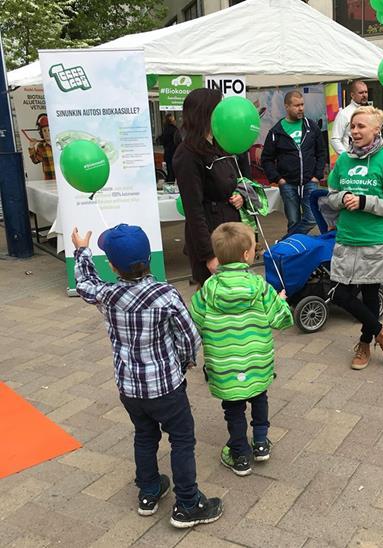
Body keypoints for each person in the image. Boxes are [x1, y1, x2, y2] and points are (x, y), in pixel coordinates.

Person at [71, 223, 223, 529]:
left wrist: (82, 250)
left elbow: (85, 284)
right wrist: (185, 361)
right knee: (181, 440)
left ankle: (149, 491)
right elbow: (190, 335)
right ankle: (188, 504)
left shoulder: (109, 295)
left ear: (112, 265)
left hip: (129, 389)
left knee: (144, 435)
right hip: (167, 387)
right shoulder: (165, 295)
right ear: (149, 259)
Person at [190, 222, 293, 476]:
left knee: (233, 407)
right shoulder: (260, 287)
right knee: (259, 398)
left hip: (225, 365)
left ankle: (240, 454)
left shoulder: (207, 292)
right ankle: (260, 443)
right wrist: (281, 303)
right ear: (247, 255)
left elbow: (193, 322)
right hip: (257, 362)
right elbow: (281, 319)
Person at [326, 106, 383, 370]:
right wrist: (342, 199)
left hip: (375, 240)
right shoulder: (344, 160)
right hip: (347, 238)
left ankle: (364, 343)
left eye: (362, 127)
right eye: (353, 126)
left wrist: (364, 202)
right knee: (337, 293)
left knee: (370, 294)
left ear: (376, 130)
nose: (355, 131)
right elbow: (331, 195)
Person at [173, 88, 244, 286]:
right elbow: (193, 209)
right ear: (204, 113)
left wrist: (239, 196)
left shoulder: (218, 145)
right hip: (212, 239)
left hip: (230, 233)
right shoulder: (187, 154)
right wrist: (209, 255)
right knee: (215, 305)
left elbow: (231, 182)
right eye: (218, 108)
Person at [261, 90, 325, 237]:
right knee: (294, 220)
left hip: (310, 181)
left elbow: (321, 152)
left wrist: (317, 175)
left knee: (312, 217)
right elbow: (266, 159)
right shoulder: (276, 131)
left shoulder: (311, 127)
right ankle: (294, 253)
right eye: (296, 105)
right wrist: (278, 179)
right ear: (287, 107)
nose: (301, 108)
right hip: (288, 183)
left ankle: (285, 242)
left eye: (302, 104)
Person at [330, 80, 369, 156]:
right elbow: (335, 139)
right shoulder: (344, 114)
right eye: (361, 93)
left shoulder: (370, 112)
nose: (364, 95)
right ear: (352, 95)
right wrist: (347, 156)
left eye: (366, 92)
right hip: (352, 159)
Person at [28, 113, 55, 180]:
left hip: (63, 179)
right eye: (44, 130)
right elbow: (35, 160)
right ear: (41, 132)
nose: (47, 133)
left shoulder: (60, 143)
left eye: (49, 130)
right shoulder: (41, 146)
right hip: (49, 180)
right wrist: (31, 147)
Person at [160, 113, 178, 182]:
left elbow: (163, 141)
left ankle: (170, 183)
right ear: (171, 120)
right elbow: (177, 141)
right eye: (173, 119)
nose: (175, 120)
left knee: (170, 171)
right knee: (174, 171)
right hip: (174, 153)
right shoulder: (174, 129)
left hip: (167, 153)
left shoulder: (165, 129)